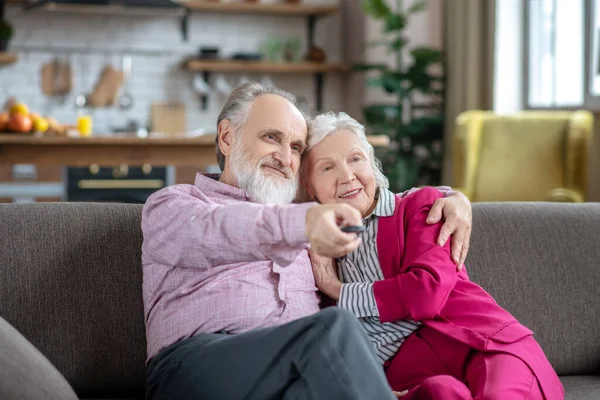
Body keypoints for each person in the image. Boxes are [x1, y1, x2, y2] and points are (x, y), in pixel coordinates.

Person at [141, 82, 472, 400]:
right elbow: (219, 229)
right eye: (272, 137)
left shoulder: (306, 219)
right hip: (194, 370)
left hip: (296, 377)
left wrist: (454, 199)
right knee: (330, 328)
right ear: (227, 137)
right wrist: (305, 221)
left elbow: (372, 199)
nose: (285, 158)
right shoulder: (176, 204)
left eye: (296, 148)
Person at [301, 111, 563, 400]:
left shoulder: (421, 207)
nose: (347, 175)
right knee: (441, 393)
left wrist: (336, 289)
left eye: (355, 159)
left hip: (481, 348)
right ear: (308, 186)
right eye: (327, 168)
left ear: (371, 163)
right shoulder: (312, 246)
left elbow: (426, 293)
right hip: (410, 377)